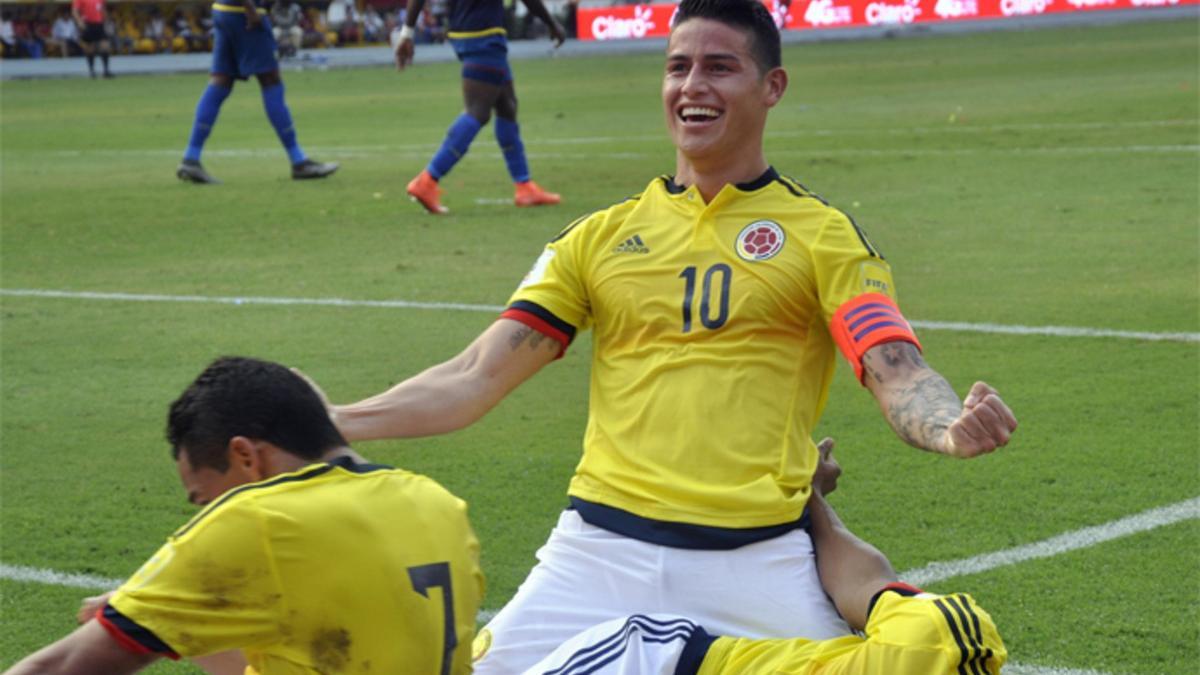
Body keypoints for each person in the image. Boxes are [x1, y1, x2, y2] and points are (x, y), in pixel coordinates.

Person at [315, 0, 1017, 671]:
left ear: (772, 86)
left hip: (756, 561)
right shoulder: (598, 237)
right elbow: (473, 376)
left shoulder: (824, 236)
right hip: (595, 556)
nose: (692, 86)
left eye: (719, 67)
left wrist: (946, 424)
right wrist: (334, 420)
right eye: (678, 67)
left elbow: (893, 364)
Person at [5, 357, 484, 675]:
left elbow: (68, 666)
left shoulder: (261, 520)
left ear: (245, 455)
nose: (211, 511)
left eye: (204, 497)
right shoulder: (436, 501)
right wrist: (166, 603)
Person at [525, 441, 1007, 675]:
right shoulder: (942, 642)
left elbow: (863, 584)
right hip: (653, 661)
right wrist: (811, 495)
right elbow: (862, 584)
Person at [391, 0, 566, 214]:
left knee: (507, 105)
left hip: (464, 32)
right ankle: (427, 180)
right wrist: (551, 23)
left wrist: (407, 33)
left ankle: (524, 186)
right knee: (478, 111)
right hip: (485, 34)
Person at [175, 0, 339, 184]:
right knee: (270, 80)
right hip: (243, 13)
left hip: (223, 10)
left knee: (220, 81)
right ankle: (299, 161)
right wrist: (250, 8)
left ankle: (191, 158)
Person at [71, 0, 112, 77]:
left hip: (99, 24)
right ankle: (92, 71)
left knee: (105, 46)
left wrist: (106, 22)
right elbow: (74, 11)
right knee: (90, 49)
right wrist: (79, 21)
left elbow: (103, 9)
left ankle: (106, 71)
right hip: (87, 24)